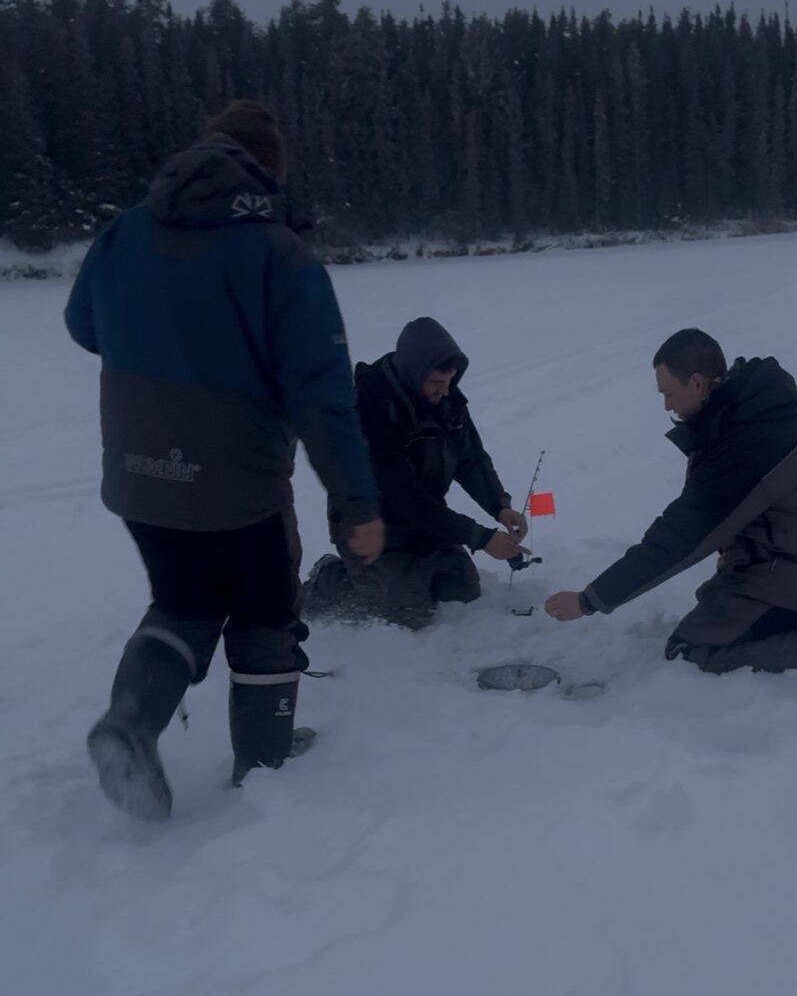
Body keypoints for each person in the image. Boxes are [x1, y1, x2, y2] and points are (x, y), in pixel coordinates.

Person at [65, 100, 384, 821]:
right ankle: (263, 768)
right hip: (238, 484)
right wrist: (356, 504)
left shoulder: (124, 232)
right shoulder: (278, 254)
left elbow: (83, 325)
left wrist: (159, 338)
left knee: (183, 600)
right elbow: (323, 395)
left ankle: (130, 722)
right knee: (265, 614)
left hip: (139, 474)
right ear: (269, 171)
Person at [544, 328, 797, 672]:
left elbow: (679, 537)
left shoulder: (746, 441)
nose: (666, 405)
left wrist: (589, 600)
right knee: (716, 602)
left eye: (668, 393)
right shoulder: (760, 407)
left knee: (691, 649)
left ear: (697, 383)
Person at [302, 317, 529, 628]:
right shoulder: (371, 410)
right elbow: (403, 497)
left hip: (426, 518)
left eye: (450, 381)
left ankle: (408, 572)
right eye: (436, 383)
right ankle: (331, 580)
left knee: (462, 591)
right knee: (410, 613)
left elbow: (471, 459)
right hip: (372, 525)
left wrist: (500, 506)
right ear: (414, 373)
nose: (445, 390)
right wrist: (480, 537)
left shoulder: (447, 400)